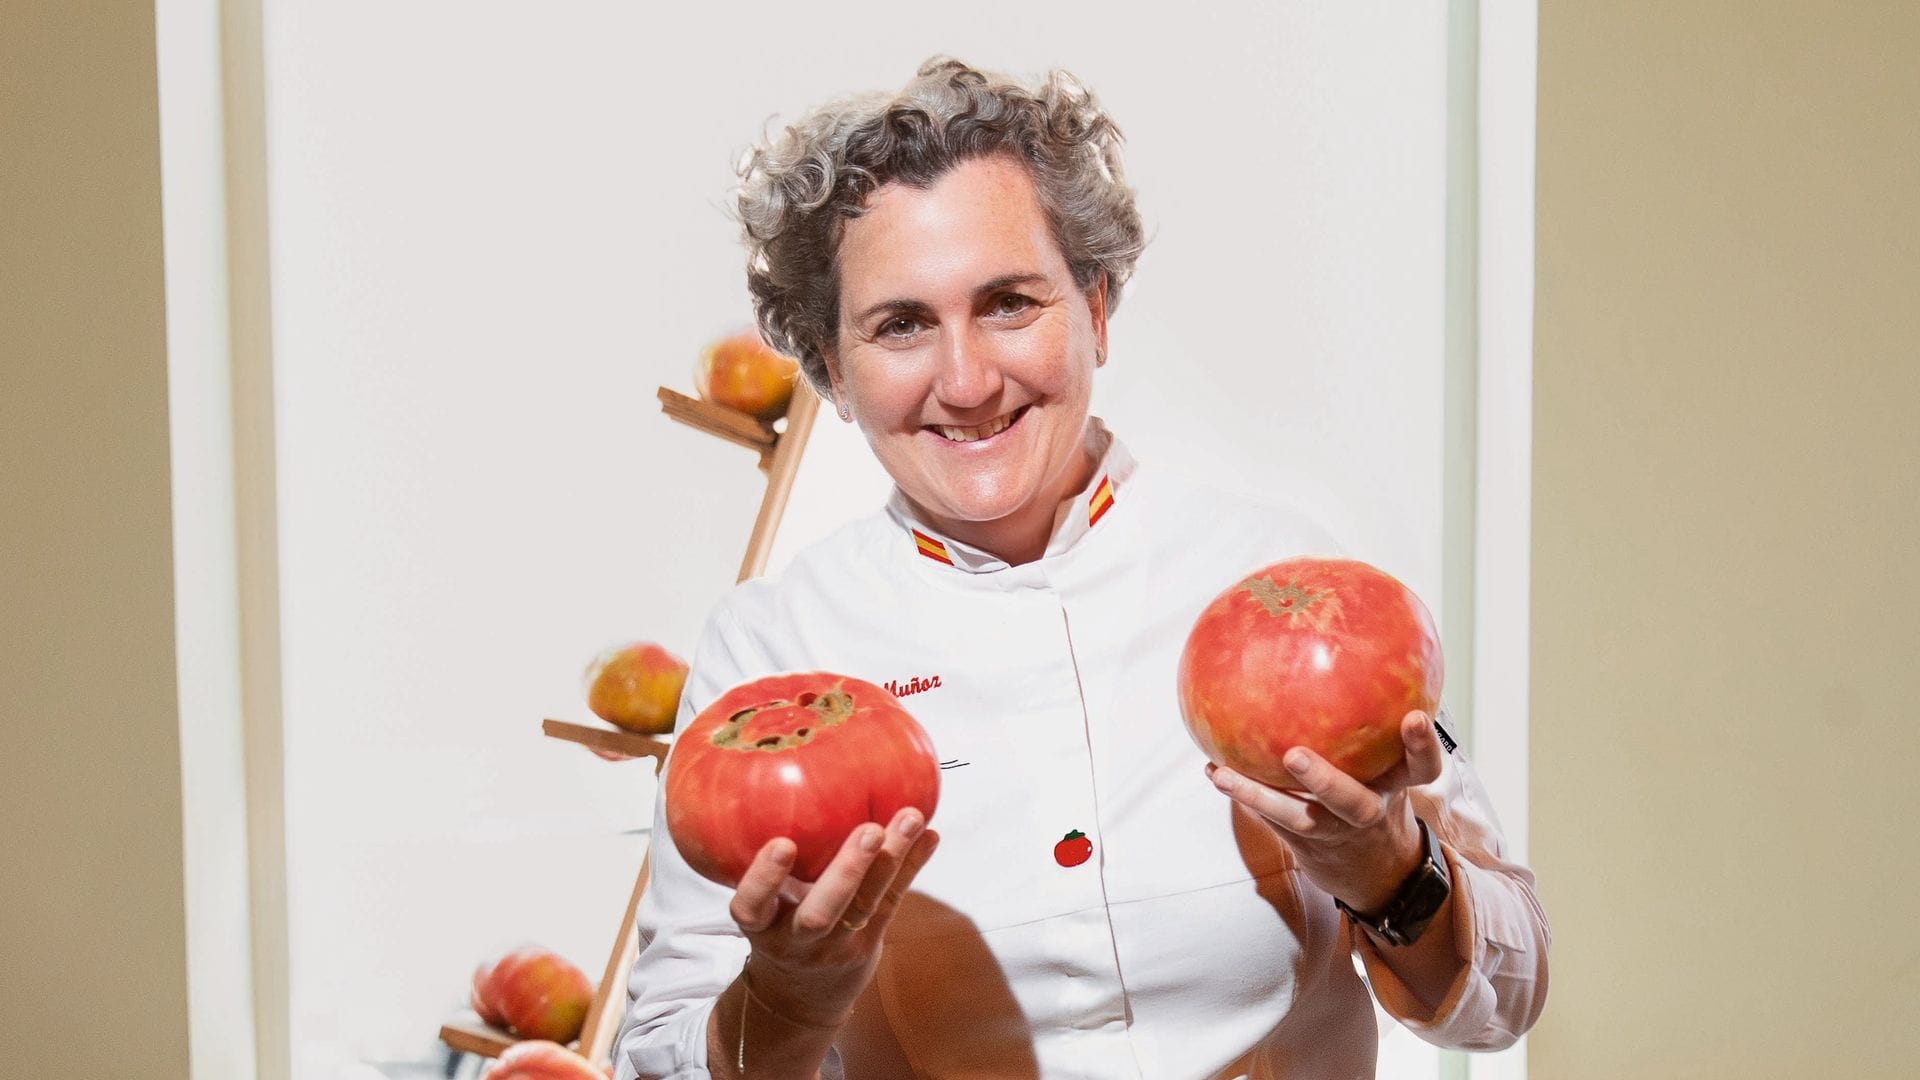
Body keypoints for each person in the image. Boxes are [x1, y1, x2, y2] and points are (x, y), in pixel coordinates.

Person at [612, 56, 1548, 1080]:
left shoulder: (1285, 588)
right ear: (832, 368)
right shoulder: (773, 656)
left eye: (1011, 303)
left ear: (1095, 310)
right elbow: (660, 1050)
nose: (966, 381)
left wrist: (1392, 877)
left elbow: (1507, 997)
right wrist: (785, 1003)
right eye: (902, 325)